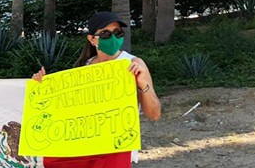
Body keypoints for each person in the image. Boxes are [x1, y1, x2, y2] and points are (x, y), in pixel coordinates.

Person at [32, 11, 161, 121]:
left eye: (118, 33)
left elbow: (154, 115)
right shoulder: (84, 67)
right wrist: (43, 86)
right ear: (92, 39)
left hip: (121, 144)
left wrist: (143, 84)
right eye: (105, 34)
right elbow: (66, 107)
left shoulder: (134, 63)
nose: (113, 38)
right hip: (89, 143)